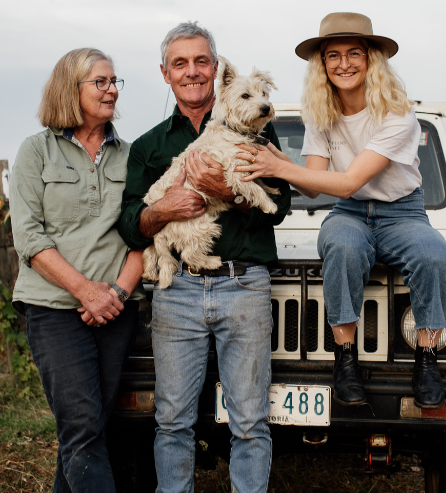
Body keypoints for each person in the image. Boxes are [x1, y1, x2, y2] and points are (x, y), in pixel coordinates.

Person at [235, 12, 446, 409]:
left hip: (402, 212)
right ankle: (346, 360)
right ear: (322, 64)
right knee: (341, 245)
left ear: (372, 59)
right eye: (333, 56)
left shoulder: (397, 112)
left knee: (435, 256)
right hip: (349, 212)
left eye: (355, 53)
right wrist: (275, 160)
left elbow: (350, 179)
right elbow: (316, 188)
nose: (344, 63)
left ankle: (426, 359)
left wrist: (280, 168)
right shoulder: (321, 112)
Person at [116, 21, 291, 493]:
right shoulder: (150, 146)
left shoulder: (256, 128)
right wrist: (163, 209)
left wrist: (227, 193)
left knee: (251, 421)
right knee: (171, 420)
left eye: (200, 62)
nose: (191, 72)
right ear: (165, 73)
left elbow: (281, 207)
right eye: (180, 64)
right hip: (177, 292)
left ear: (215, 70)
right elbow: (130, 222)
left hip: (245, 285)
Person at [9, 47, 145, 492]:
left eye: (113, 82)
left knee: (89, 428)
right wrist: (86, 291)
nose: (111, 91)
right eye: (101, 82)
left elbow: (145, 232)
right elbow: (29, 239)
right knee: (83, 426)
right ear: (72, 89)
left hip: (115, 310)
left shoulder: (132, 156)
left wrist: (117, 294)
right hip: (53, 310)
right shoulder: (35, 152)